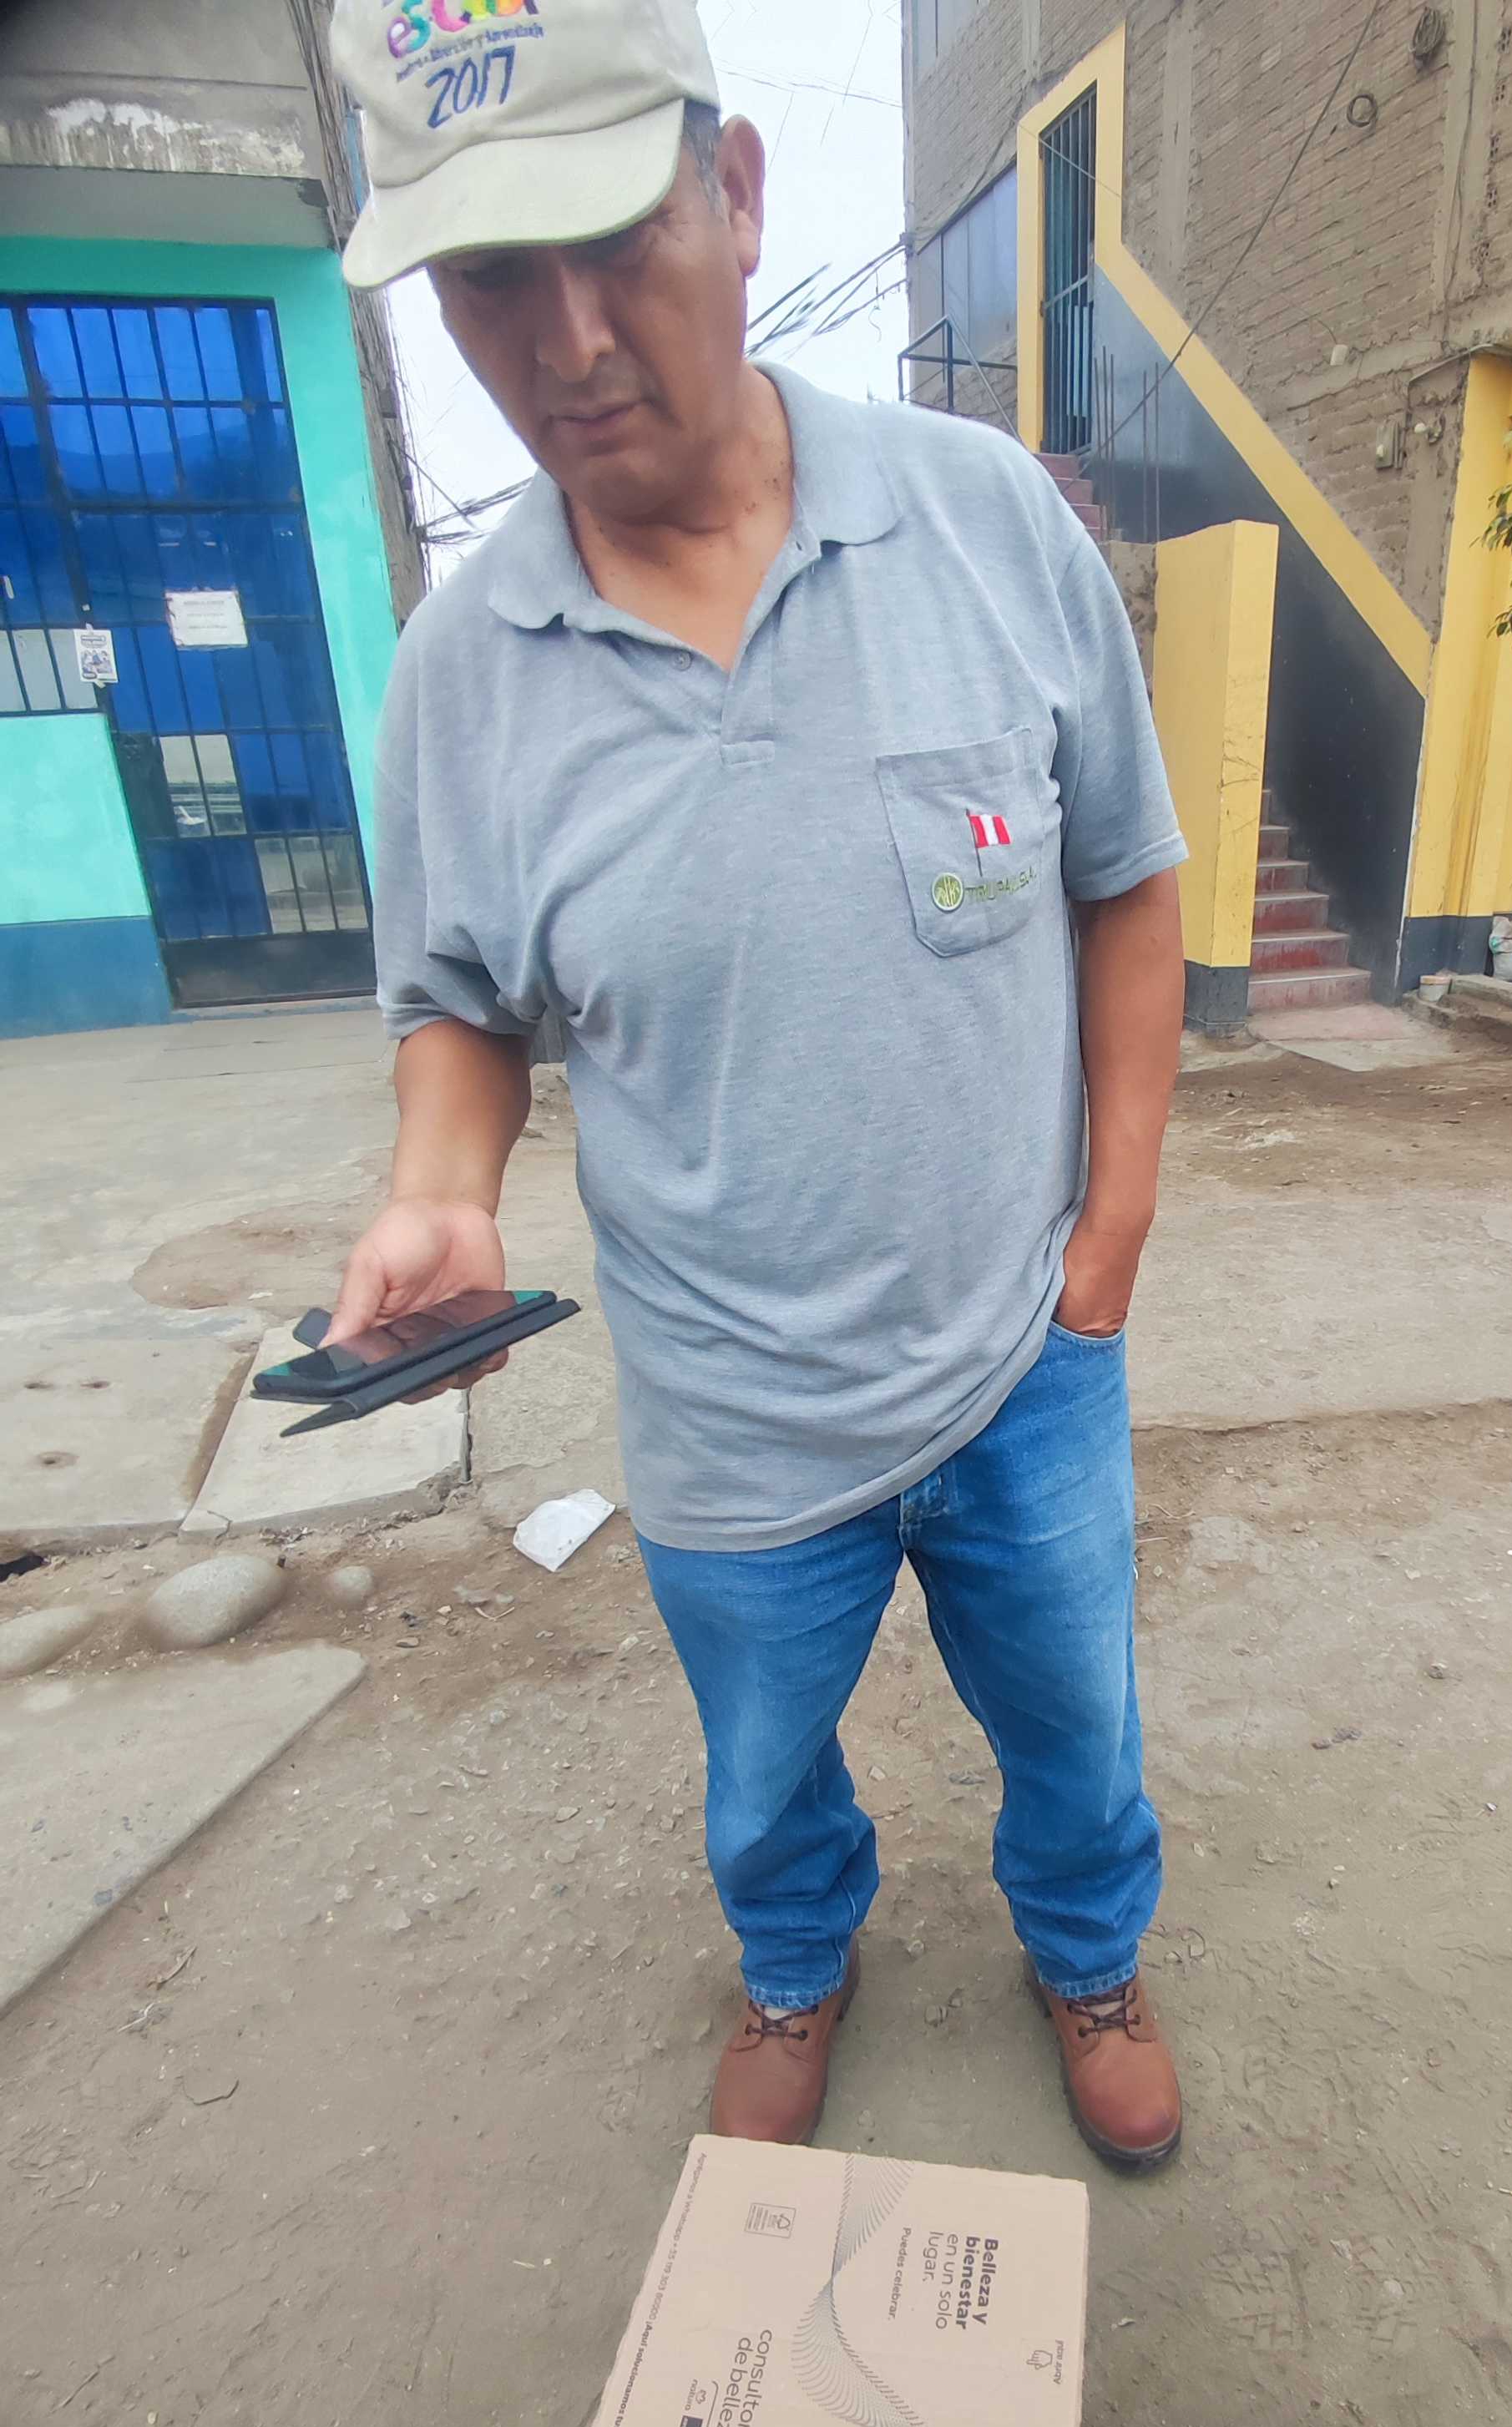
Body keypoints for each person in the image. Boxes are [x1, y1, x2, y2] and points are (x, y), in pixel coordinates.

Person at [326, 0, 1189, 2167]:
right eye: (490, 279)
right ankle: (797, 1962)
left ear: (735, 193)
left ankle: (1090, 1949)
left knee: (1076, 1721)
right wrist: (443, 1186)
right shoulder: (463, 676)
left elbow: (1127, 877)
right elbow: (461, 1002)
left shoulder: (987, 526)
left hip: (1021, 1352)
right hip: (726, 1410)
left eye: (613, 236)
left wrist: (1108, 1241)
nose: (567, 340)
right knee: (761, 1766)